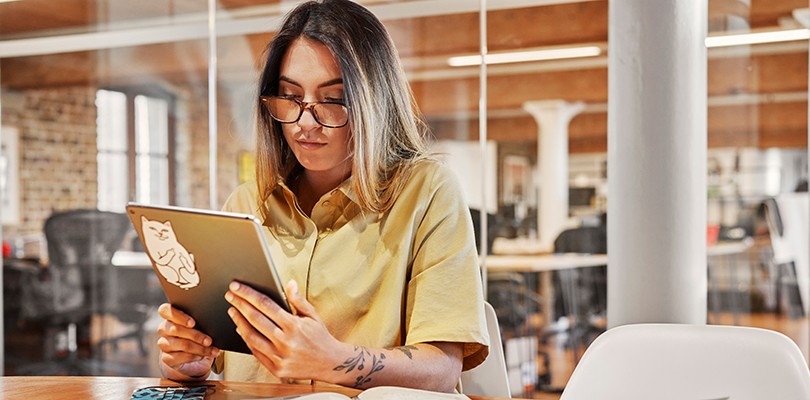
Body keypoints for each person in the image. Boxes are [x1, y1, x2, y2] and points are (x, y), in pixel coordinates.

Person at [156, 0, 488, 392]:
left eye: (332, 100)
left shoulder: (427, 192)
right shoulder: (247, 206)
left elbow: (442, 371)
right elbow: (216, 359)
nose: (305, 123)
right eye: (290, 97)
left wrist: (332, 360)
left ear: (373, 101)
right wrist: (189, 359)